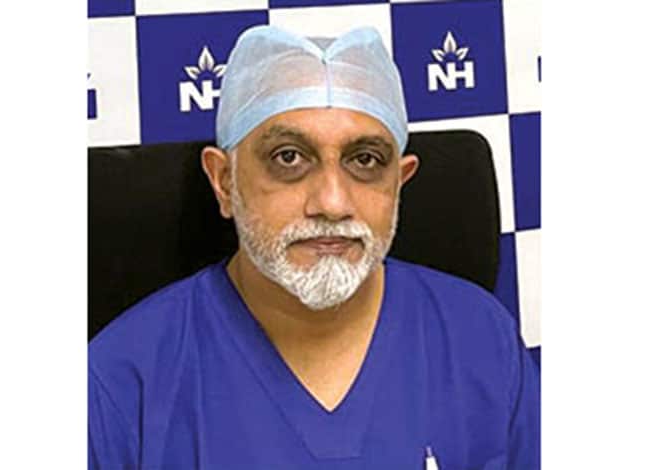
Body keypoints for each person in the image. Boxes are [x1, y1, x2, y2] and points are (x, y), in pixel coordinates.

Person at [88, 25, 540, 470]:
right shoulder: (122, 382)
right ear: (224, 182)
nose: (332, 203)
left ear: (399, 183)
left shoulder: (482, 338)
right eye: (288, 157)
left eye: (365, 160)